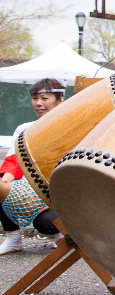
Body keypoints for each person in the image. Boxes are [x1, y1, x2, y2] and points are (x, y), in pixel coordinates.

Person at [0, 79, 65, 254]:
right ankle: (13, 240)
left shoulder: (69, 127)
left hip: (60, 198)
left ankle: (63, 237)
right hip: (30, 194)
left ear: (60, 100)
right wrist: (5, 182)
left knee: (46, 224)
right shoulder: (24, 128)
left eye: (44, 98)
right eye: (35, 98)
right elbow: (13, 161)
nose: (38, 103)